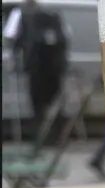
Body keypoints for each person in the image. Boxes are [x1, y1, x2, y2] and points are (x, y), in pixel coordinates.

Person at [3, 0, 71, 146]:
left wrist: (11, 60)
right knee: (54, 102)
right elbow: (67, 36)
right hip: (54, 66)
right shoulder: (54, 14)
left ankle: (40, 138)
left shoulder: (20, 14)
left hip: (35, 65)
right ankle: (56, 137)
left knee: (37, 103)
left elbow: (10, 36)